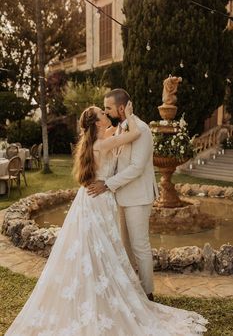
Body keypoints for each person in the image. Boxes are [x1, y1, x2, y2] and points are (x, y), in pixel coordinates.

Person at [5, 103, 207, 336]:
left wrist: (122, 121)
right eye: (102, 113)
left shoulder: (98, 140)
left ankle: (95, 289)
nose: (106, 113)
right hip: (99, 200)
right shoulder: (104, 142)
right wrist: (129, 115)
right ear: (97, 123)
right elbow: (134, 133)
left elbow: (121, 132)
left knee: (95, 247)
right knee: (102, 246)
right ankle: (101, 293)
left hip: (90, 200)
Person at [87, 88, 157, 301]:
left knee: (140, 247)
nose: (106, 112)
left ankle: (148, 295)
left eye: (108, 108)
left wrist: (107, 184)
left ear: (121, 107)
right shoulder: (120, 130)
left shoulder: (142, 130)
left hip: (138, 197)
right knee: (125, 248)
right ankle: (132, 293)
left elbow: (136, 167)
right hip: (121, 198)